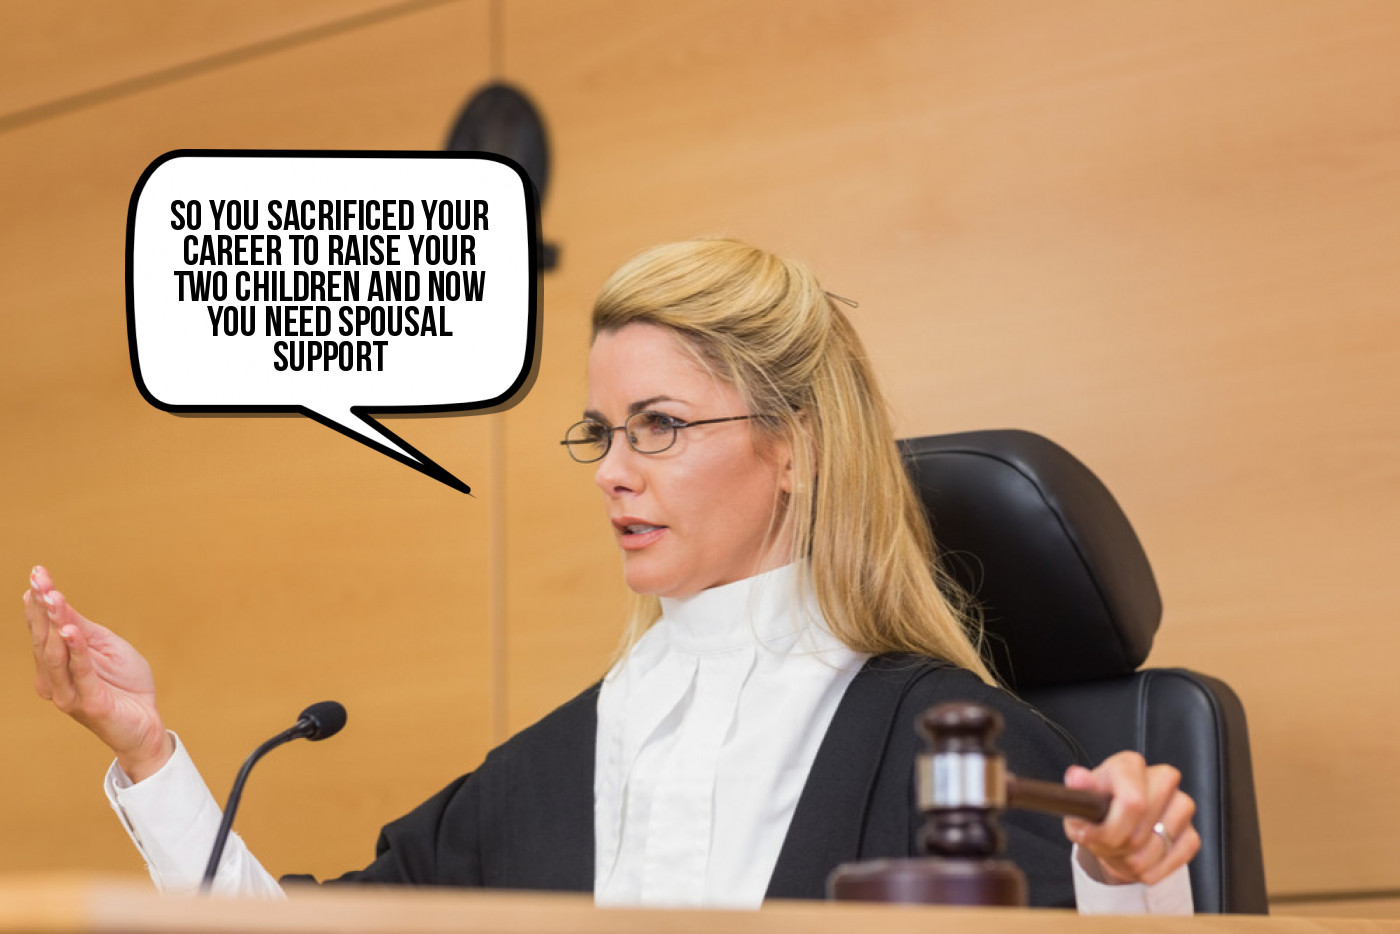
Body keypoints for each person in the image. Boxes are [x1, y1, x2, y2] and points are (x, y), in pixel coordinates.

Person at [24, 238, 1199, 912]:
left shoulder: (962, 751)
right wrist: (147, 749)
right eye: (601, 433)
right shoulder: (543, 772)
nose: (611, 473)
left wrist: (1122, 871)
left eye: (659, 426)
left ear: (791, 446)